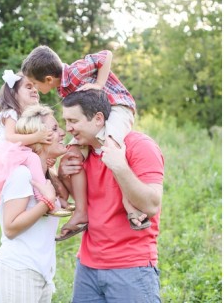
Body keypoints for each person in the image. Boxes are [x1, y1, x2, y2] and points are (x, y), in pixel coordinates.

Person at [20, 45, 144, 239]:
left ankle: (130, 205)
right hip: (96, 115)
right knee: (72, 154)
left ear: (49, 79)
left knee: (111, 147)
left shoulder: (73, 73)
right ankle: (81, 211)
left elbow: (106, 56)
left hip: (118, 106)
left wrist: (99, 84)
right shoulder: (63, 88)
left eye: (35, 84)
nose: (35, 89)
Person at [58, 89, 163, 302]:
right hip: (87, 267)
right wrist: (63, 175)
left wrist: (120, 167)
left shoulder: (140, 146)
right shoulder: (81, 152)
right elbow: (86, 201)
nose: (68, 128)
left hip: (131, 267)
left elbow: (151, 205)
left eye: (73, 121)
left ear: (98, 118)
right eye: (66, 121)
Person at [0, 105, 68, 302]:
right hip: (17, 273)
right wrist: (46, 203)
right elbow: (10, 228)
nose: (62, 132)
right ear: (39, 139)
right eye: (54, 129)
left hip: (41, 274)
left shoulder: (45, 175)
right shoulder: (22, 174)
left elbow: (65, 202)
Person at [0, 70, 70, 217]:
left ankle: (58, 199)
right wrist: (37, 136)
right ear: (14, 94)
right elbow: (10, 137)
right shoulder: (11, 112)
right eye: (28, 87)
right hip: (4, 152)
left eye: (35, 87)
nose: (34, 90)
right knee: (33, 159)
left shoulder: (26, 117)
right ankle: (43, 198)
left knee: (42, 163)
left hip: (16, 149)